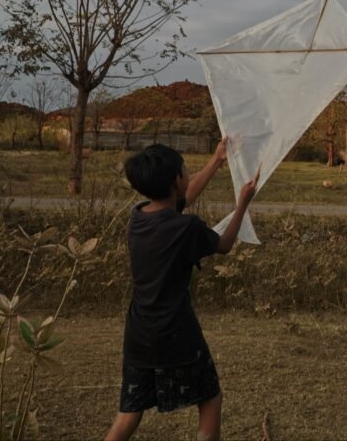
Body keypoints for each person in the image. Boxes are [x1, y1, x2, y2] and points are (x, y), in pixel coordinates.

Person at [105, 138, 257, 441]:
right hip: (177, 333)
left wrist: (217, 159)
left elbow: (183, 198)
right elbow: (224, 245)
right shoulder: (185, 227)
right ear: (176, 180)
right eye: (185, 169)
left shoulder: (138, 216)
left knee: (129, 414)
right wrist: (243, 204)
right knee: (210, 400)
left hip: (139, 334)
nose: (188, 173)